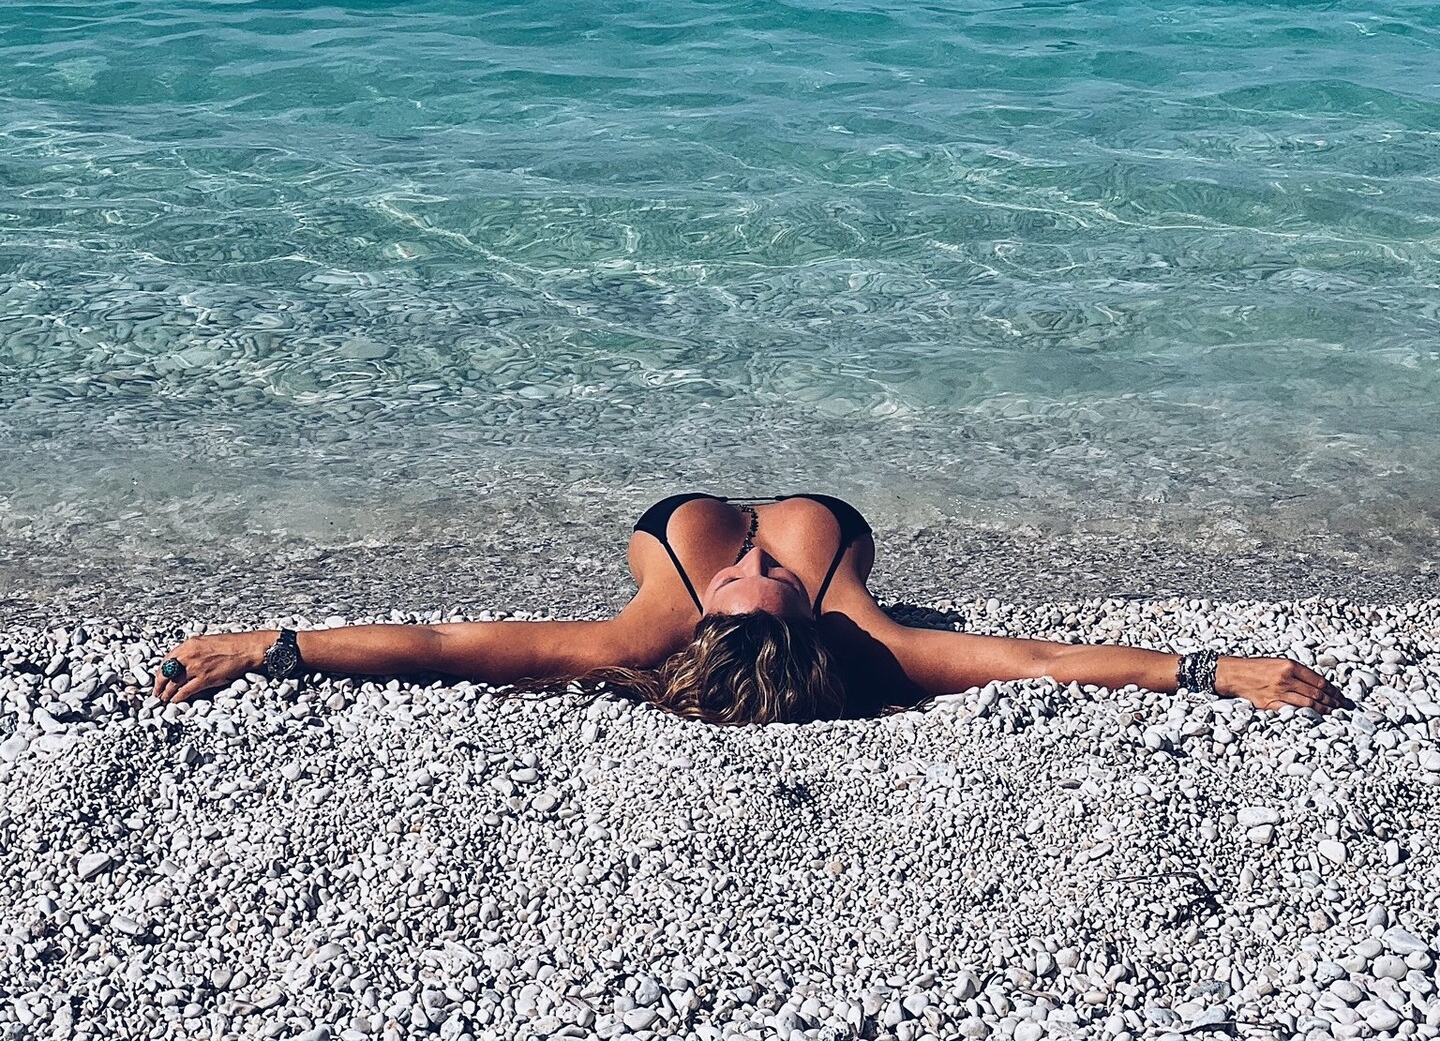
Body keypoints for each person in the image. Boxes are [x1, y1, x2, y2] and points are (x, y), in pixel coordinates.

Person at [152, 491, 1345, 725]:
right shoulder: (869, 638)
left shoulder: (641, 635)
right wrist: (1209, 670)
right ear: (802, 620)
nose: (738, 576)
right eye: (752, 588)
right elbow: (1037, 660)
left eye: (730, 592)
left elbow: (443, 646)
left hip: (672, 525)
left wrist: (267, 647)